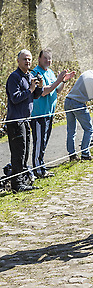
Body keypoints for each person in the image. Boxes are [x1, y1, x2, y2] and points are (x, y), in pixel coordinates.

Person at [30, 48, 75, 178]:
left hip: (49, 114)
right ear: (39, 59)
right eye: (45, 58)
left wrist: (64, 80)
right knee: (39, 143)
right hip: (39, 114)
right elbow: (43, 91)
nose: (48, 61)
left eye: (50, 58)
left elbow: (57, 90)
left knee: (44, 142)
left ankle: (42, 167)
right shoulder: (35, 73)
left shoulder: (50, 72)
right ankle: (38, 170)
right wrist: (58, 80)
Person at [5, 49, 43, 193]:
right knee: (18, 152)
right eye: (24, 59)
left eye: (29, 59)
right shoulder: (14, 77)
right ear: (18, 61)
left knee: (26, 151)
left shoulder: (30, 75)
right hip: (15, 121)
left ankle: (21, 180)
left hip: (26, 120)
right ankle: (16, 183)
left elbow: (35, 96)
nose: (27, 62)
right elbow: (15, 98)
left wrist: (38, 87)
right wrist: (31, 89)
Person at [64, 61, 93, 161]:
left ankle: (72, 154)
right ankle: (85, 153)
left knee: (71, 130)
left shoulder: (88, 72)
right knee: (89, 129)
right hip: (78, 103)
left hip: (68, 100)